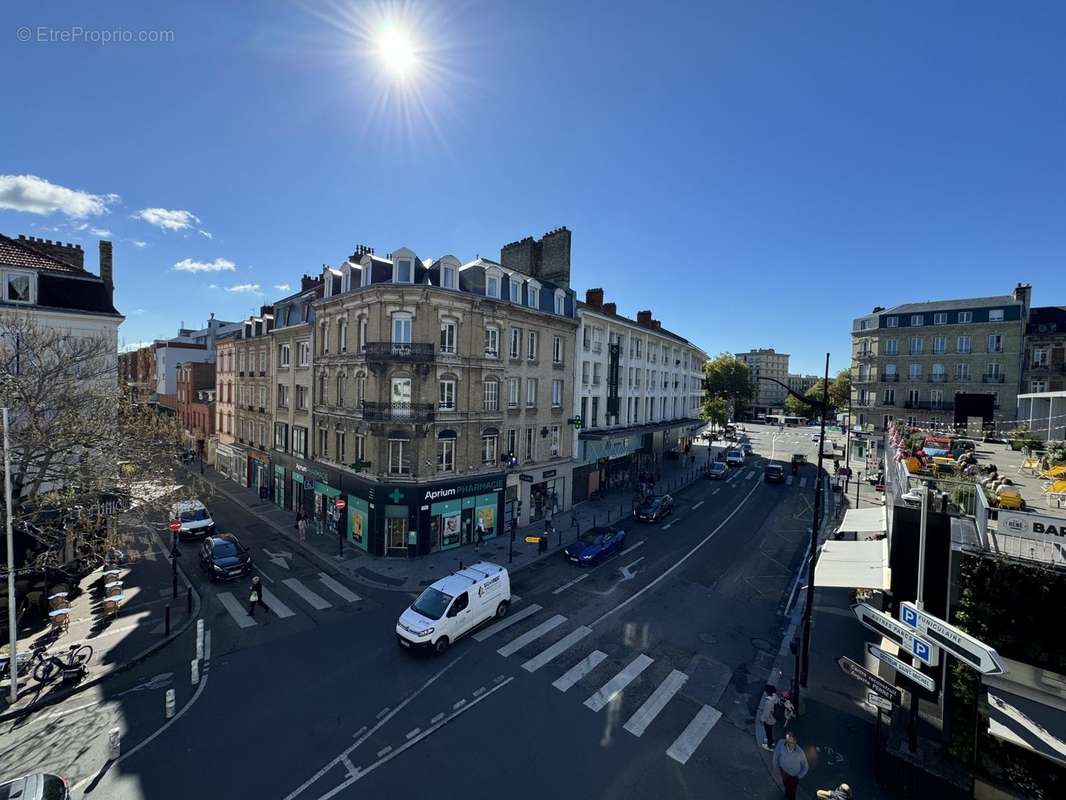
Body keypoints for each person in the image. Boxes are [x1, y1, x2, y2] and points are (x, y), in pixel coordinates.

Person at [772, 732, 809, 800]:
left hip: (793, 776)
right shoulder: (781, 743)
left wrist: (798, 777)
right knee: (786, 785)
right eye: (788, 742)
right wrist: (775, 768)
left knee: (792, 792)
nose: (789, 745)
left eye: (792, 742)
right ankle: (786, 795)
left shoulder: (800, 753)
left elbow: (805, 767)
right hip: (783, 771)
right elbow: (776, 756)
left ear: (795, 741)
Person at [760, 685, 779, 750]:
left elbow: (766, 714)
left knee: (768, 732)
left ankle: (769, 745)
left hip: (769, 721)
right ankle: (770, 741)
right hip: (774, 719)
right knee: (770, 732)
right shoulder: (775, 696)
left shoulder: (768, 702)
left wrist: (762, 720)